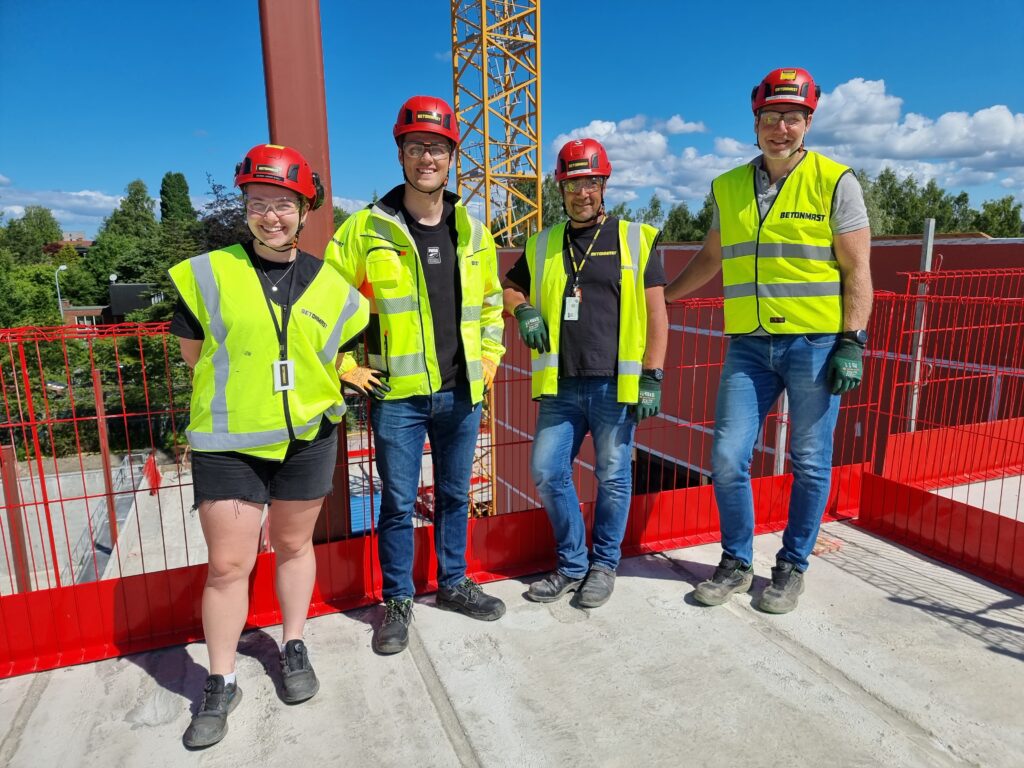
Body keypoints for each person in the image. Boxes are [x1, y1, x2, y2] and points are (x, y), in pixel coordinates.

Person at [169, 144, 369, 748]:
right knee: (229, 565)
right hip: (230, 443)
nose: (271, 216)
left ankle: (293, 644)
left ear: (305, 210)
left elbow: (332, 355)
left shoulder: (330, 285)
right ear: (245, 208)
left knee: (292, 544)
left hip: (308, 436)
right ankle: (221, 678)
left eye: (284, 204)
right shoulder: (209, 273)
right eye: (258, 203)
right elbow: (195, 356)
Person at [664, 67, 873, 614]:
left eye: (793, 117)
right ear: (754, 122)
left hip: (815, 344)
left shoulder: (835, 181)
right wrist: (663, 300)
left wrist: (853, 340)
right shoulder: (729, 186)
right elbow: (711, 258)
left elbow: (857, 270)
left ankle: (792, 565)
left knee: (809, 458)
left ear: (808, 121)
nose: (782, 127)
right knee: (728, 456)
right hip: (749, 347)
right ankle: (736, 561)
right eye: (771, 117)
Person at [324, 95, 507, 655]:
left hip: (461, 392)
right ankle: (399, 600)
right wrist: (344, 367)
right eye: (416, 146)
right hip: (398, 397)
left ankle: (453, 583)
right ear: (401, 154)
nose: (427, 156)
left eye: (438, 147)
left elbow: (492, 306)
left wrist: (490, 364)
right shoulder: (364, 230)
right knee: (399, 503)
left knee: (454, 494)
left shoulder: (473, 231)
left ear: (454, 156)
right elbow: (323, 306)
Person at [502, 138, 668, 608]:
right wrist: (524, 310)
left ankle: (603, 565)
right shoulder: (543, 243)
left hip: (616, 384)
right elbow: (509, 288)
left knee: (613, 476)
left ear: (604, 184)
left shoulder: (636, 238)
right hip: (561, 385)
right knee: (546, 471)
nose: (582, 193)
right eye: (573, 183)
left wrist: (653, 374)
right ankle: (572, 563)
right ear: (561, 188)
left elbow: (658, 314)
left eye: (591, 182)